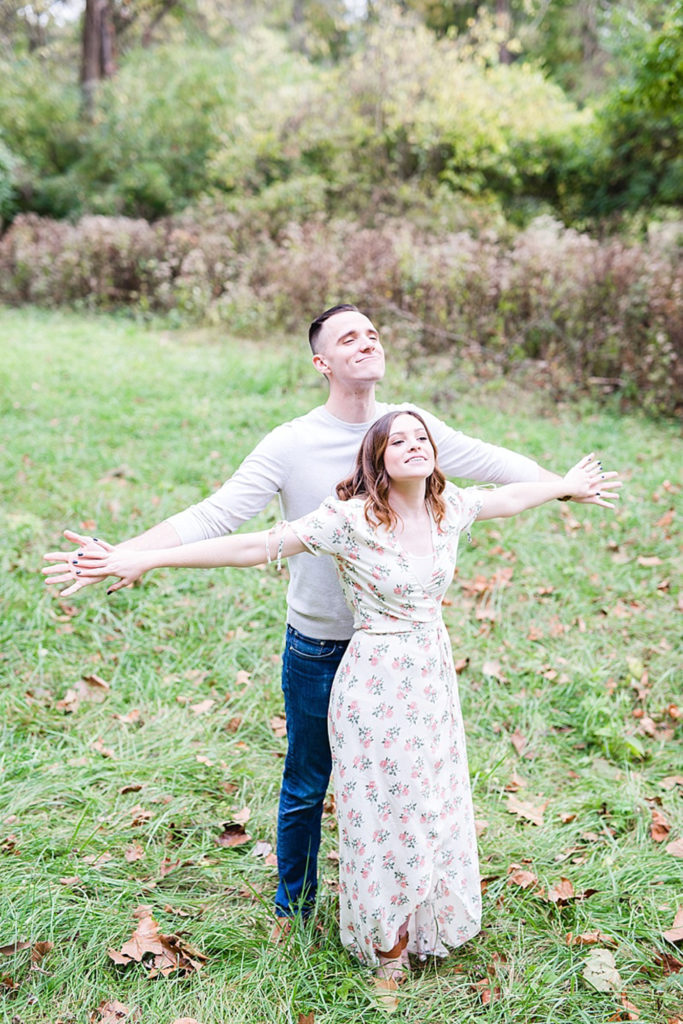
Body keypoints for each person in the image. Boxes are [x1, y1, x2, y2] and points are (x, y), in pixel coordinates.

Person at [41, 304, 621, 929]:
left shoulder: (409, 429)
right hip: (322, 644)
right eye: (349, 338)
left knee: (410, 783)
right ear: (322, 362)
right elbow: (222, 519)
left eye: (372, 333)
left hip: (406, 654)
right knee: (308, 781)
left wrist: (565, 485)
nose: (366, 343)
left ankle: (403, 907)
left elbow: (495, 470)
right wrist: (131, 554)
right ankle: (294, 907)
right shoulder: (293, 443)